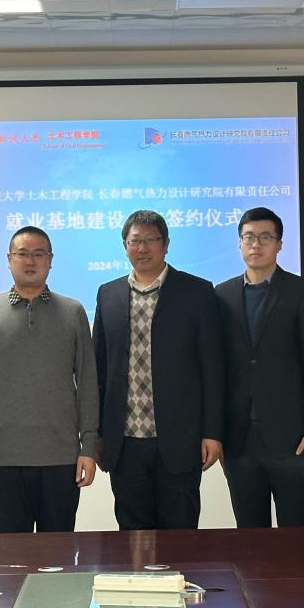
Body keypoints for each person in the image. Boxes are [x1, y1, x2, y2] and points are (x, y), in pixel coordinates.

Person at [93, 210, 225, 531]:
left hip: (180, 439)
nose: (142, 248)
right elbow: (99, 369)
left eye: (151, 240)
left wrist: (212, 432)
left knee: (180, 536)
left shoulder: (197, 292)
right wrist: (96, 434)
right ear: (124, 246)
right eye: (135, 241)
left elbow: (213, 368)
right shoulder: (108, 294)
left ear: (166, 244)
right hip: (124, 442)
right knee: (132, 536)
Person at [0, 226, 98, 533]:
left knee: (59, 553)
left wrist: (88, 446)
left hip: (61, 457)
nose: (30, 261)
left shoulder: (73, 312)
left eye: (39, 254)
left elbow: (88, 383)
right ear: (9, 259)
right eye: (22, 254)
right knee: (10, 554)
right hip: (3, 458)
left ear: (50, 260)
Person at [215, 207, 304, 528]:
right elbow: (216, 370)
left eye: (265, 237)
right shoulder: (221, 295)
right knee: (249, 536)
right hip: (238, 440)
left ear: (279, 244)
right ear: (239, 243)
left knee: (296, 534)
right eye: (249, 237)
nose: (256, 244)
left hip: (292, 439)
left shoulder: (301, 292)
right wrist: (215, 432)